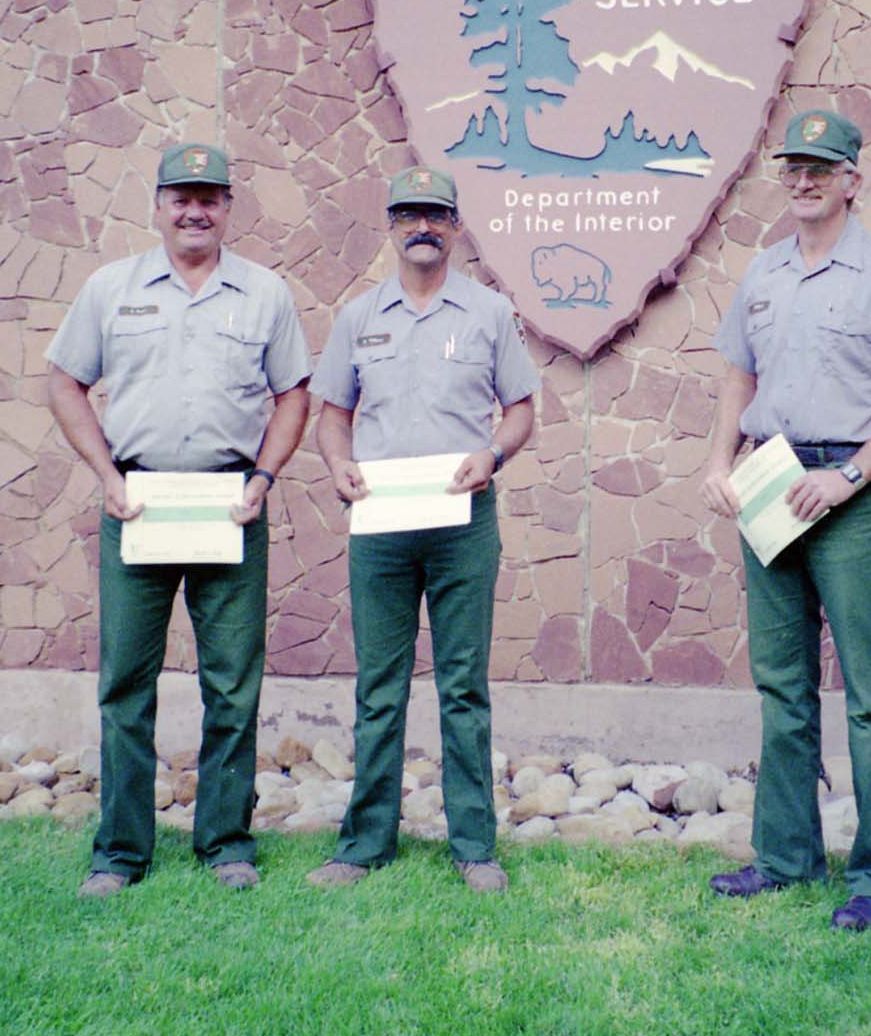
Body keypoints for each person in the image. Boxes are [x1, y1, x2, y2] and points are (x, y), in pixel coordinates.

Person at [699, 109, 871, 931]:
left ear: (852, 179)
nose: (803, 180)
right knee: (781, 683)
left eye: (821, 167)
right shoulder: (764, 274)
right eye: (793, 168)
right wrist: (717, 460)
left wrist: (848, 476)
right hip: (772, 482)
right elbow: (739, 375)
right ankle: (785, 858)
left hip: (850, 491)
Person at [46, 143, 311, 897]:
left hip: (231, 505)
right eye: (181, 196)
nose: (195, 210)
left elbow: (294, 393)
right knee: (126, 682)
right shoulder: (111, 289)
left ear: (229, 208)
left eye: (211, 196)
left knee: (232, 683)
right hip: (138, 504)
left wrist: (263, 478)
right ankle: (120, 852)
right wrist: (104, 476)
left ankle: (226, 842)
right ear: (158, 205)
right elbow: (64, 382)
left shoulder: (264, 294)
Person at [307, 165, 537, 894]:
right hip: (380, 521)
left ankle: (474, 846)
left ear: (456, 227)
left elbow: (524, 410)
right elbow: (332, 415)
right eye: (409, 215)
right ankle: (365, 843)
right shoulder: (358, 317)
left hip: (462, 520)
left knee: (463, 684)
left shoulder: (489, 314)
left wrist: (493, 453)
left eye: (435, 215)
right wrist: (338, 464)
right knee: (380, 686)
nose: (422, 227)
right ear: (391, 226)